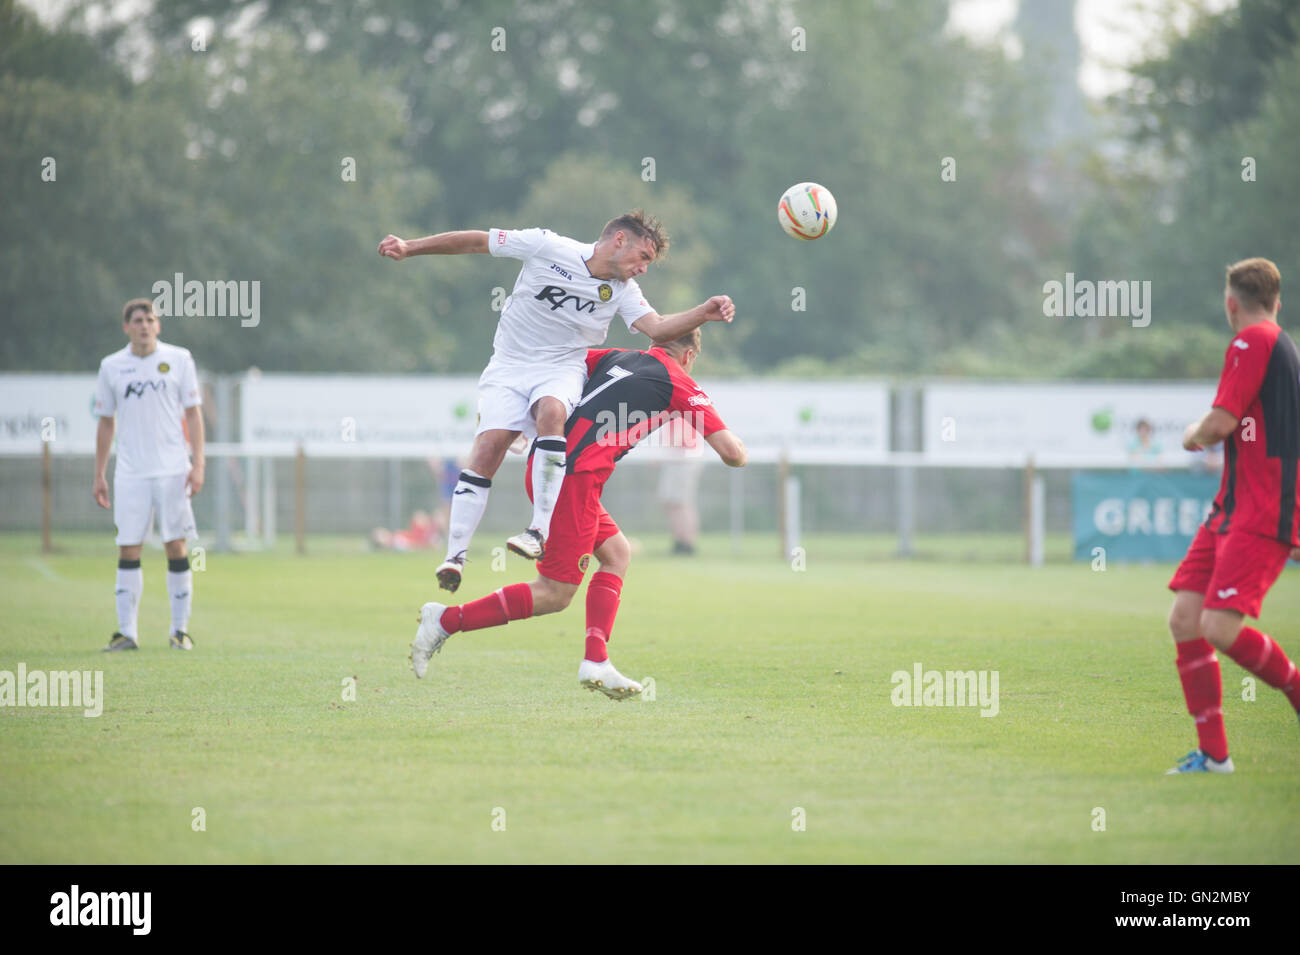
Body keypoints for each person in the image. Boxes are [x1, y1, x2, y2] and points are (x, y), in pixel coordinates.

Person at [377, 212, 734, 594]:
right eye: (643, 257)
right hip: (509, 366)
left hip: (562, 366)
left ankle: (538, 530)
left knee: (552, 412)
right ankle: (454, 557)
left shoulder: (624, 291)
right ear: (618, 241)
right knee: (485, 451)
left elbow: (659, 329)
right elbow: (478, 241)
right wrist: (410, 247)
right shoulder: (547, 246)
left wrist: (704, 313)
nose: (644, 269)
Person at [409, 328, 746, 698]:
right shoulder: (680, 381)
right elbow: (732, 454)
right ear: (689, 357)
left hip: (545, 465)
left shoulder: (616, 357)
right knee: (555, 593)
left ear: (654, 343)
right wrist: (744, 448)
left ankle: (597, 659)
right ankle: (445, 620)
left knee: (617, 553)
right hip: (575, 480)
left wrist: (521, 423)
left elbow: (553, 375)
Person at [1165, 257, 1300, 773]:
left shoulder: (1253, 341)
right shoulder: (1278, 343)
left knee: (1218, 627)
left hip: (1260, 509)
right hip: (1233, 507)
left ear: (1230, 303)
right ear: (1276, 300)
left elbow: (1220, 424)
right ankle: (1214, 756)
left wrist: (1191, 434)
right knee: (1185, 619)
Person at [93, 298, 205, 651]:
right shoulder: (112, 366)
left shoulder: (179, 359)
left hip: (173, 469)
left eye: (150, 319)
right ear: (126, 327)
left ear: (159, 325)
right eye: (137, 320)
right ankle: (127, 633)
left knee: (176, 544)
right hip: (130, 471)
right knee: (129, 547)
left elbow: (193, 414)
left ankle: (179, 631)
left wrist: (198, 463)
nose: (144, 325)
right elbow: (106, 422)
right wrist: (99, 472)